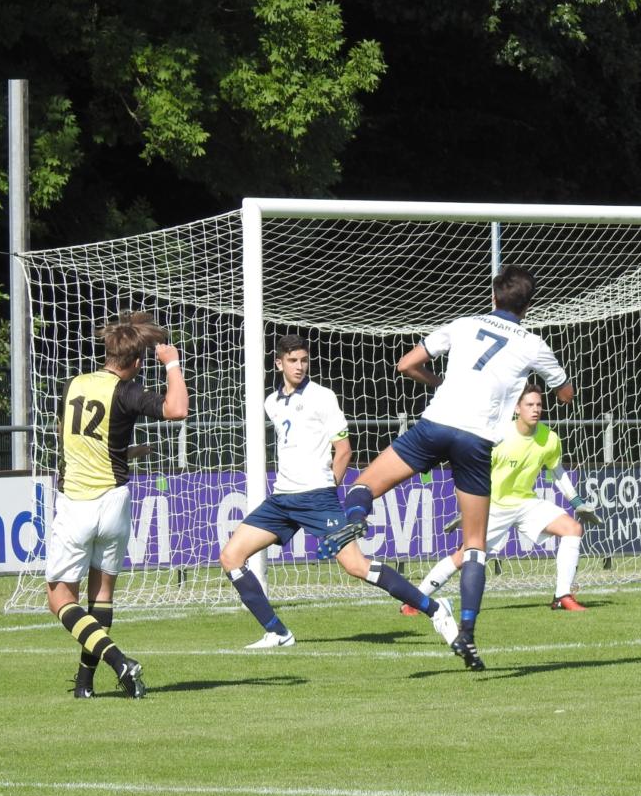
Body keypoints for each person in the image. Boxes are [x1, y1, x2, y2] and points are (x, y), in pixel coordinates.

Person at [319, 264, 573, 671]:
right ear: (529, 305)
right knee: (474, 546)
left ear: (493, 296)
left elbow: (405, 365)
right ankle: (467, 632)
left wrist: (438, 383)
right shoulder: (533, 343)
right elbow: (564, 393)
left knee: (361, 487)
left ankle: (356, 519)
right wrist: (553, 389)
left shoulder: (463, 324)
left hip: (434, 427)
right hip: (475, 443)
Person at [218, 335, 458, 649]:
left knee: (356, 566)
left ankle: (435, 609)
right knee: (230, 556)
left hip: (318, 497)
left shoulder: (322, 396)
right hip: (281, 500)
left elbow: (343, 450)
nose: (300, 366)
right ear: (279, 363)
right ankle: (278, 632)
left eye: (304, 360)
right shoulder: (271, 402)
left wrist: (328, 490)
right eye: (293, 361)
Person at [46, 311, 189, 699]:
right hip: (114, 501)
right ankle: (84, 682)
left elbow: (79, 441)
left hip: (77, 501)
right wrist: (172, 364)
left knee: (59, 598)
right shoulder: (128, 393)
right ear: (137, 362)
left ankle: (118, 661)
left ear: (107, 351)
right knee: (102, 595)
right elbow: (177, 409)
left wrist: (121, 451)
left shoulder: (73, 385)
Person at [414, 382, 600, 612]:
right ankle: (415, 600)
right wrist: (468, 510)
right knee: (464, 557)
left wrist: (577, 503)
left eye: (539, 404)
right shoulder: (498, 437)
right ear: (516, 408)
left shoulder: (549, 439)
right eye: (529, 404)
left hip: (526, 503)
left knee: (572, 529)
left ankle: (562, 595)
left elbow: (557, 471)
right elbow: (470, 472)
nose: (535, 409)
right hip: (493, 506)